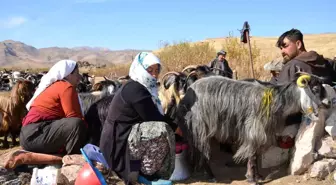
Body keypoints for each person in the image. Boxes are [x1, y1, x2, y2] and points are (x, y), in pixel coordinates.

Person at [99, 52, 177, 185]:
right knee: (160, 130)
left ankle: (137, 171)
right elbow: (154, 118)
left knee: (153, 130)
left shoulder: (141, 87)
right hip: (117, 147)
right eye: (149, 70)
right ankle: (143, 174)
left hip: (122, 139)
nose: (154, 74)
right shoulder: (135, 89)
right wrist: (177, 128)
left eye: (157, 70)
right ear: (140, 69)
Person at [4, 59, 88, 169]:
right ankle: (72, 162)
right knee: (76, 125)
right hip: (36, 135)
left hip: (30, 135)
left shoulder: (53, 87)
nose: (79, 77)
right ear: (68, 74)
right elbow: (74, 117)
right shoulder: (66, 87)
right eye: (76, 73)